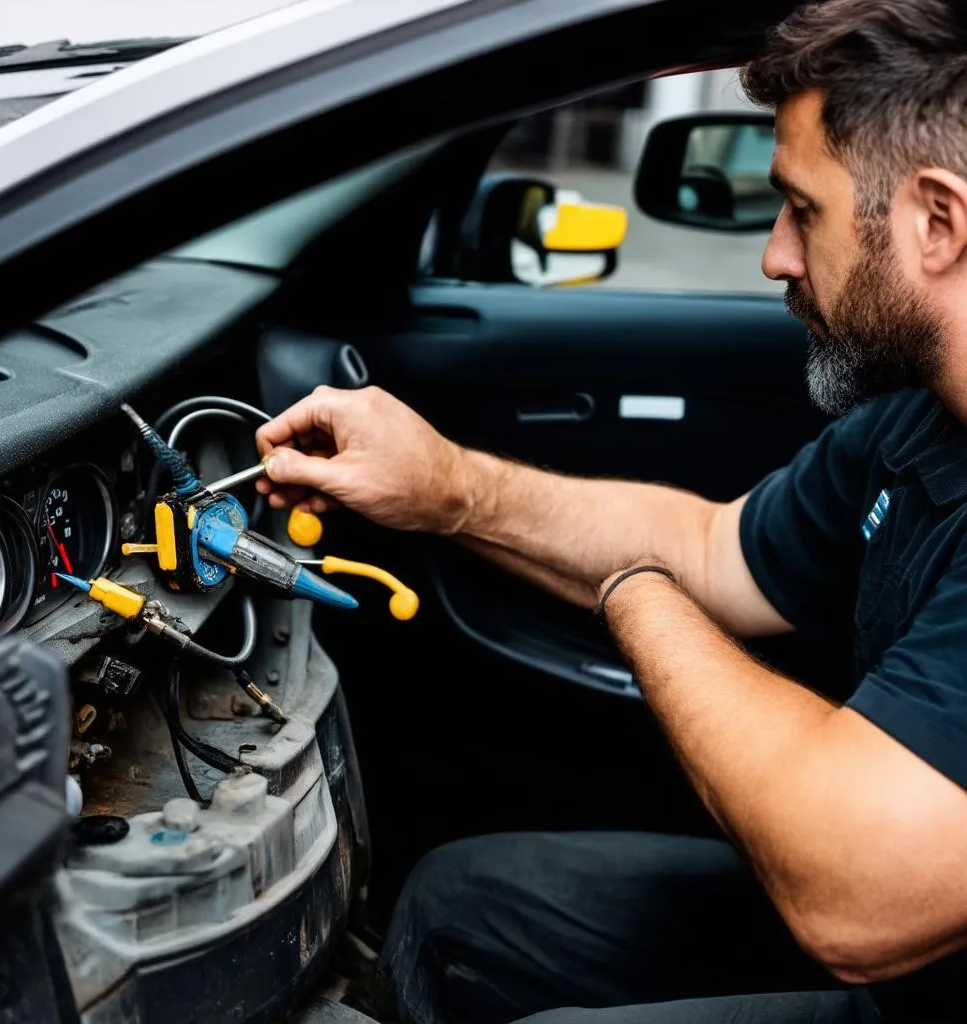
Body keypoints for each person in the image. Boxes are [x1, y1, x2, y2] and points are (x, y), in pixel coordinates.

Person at [255, 1, 967, 1020]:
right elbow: (713, 550)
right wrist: (450, 485)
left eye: (800, 210)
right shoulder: (916, 421)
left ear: (935, 223)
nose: (774, 255)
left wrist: (634, 591)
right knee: (458, 905)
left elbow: (856, 898)